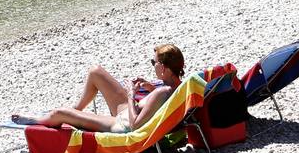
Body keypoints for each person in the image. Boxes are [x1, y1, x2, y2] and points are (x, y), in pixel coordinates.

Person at [12, 44, 185, 133]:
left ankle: (38, 120)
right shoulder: (176, 86)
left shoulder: (163, 91)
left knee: (59, 113)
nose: (152, 65)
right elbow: (159, 105)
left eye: (153, 62)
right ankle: (77, 111)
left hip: (121, 124)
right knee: (96, 72)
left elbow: (135, 127)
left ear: (163, 68)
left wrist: (132, 95)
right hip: (129, 111)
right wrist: (149, 87)